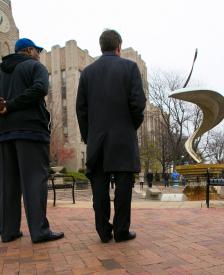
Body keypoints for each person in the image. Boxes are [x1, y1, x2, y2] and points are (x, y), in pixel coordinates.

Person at [76, 29, 146, 243]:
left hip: (97, 140)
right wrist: (130, 126)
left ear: (101, 47)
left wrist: (89, 136)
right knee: (124, 187)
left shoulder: (87, 73)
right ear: (118, 47)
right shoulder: (130, 68)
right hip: (123, 138)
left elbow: (81, 109)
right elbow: (138, 103)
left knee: (99, 186)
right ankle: (121, 231)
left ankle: (103, 231)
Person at [0, 38, 64, 243]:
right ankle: (39, 231)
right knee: (35, 181)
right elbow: (40, 89)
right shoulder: (36, 67)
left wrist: (7, 106)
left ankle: (8, 231)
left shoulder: (1, 71)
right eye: (37, 50)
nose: (39, 54)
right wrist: (11, 105)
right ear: (28, 50)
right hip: (31, 132)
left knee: (8, 184)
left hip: (4, 134)